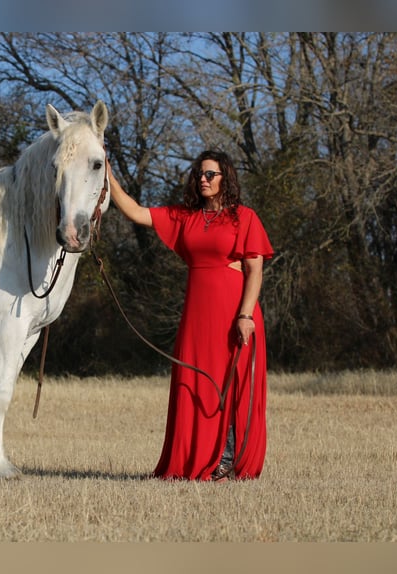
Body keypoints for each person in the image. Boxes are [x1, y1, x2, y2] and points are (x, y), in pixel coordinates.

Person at [107, 150, 274, 481]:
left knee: (232, 383)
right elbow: (137, 213)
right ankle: (195, 460)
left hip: (235, 313)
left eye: (210, 174)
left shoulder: (244, 217)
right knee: (194, 384)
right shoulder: (185, 217)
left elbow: (255, 271)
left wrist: (245, 315)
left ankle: (226, 460)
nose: (203, 179)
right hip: (197, 317)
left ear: (226, 177)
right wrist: (108, 176)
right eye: (199, 174)